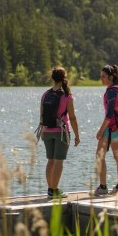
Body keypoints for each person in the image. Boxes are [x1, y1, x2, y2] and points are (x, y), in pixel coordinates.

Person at [39, 66, 80, 198]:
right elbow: (72, 118)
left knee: (50, 160)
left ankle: (51, 189)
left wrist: (42, 131)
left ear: (52, 78)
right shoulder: (67, 96)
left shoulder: (45, 94)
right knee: (58, 161)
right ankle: (54, 190)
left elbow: (41, 115)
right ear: (64, 78)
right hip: (61, 132)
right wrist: (77, 135)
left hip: (46, 131)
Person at [94, 63, 118, 196]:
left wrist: (100, 131)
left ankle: (103, 187)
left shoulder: (110, 92)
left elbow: (109, 115)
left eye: (103, 76)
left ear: (110, 77)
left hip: (111, 128)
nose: (101, 79)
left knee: (99, 156)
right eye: (101, 76)